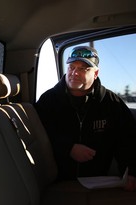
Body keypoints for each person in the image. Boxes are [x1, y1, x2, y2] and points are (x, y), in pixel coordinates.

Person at [35, 45, 136, 191]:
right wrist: (67, 148)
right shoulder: (49, 100)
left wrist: (131, 172)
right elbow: (38, 134)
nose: (75, 73)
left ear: (96, 73)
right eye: (71, 67)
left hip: (99, 182)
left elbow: (128, 138)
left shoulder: (111, 103)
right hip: (58, 183)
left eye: (83, 68)